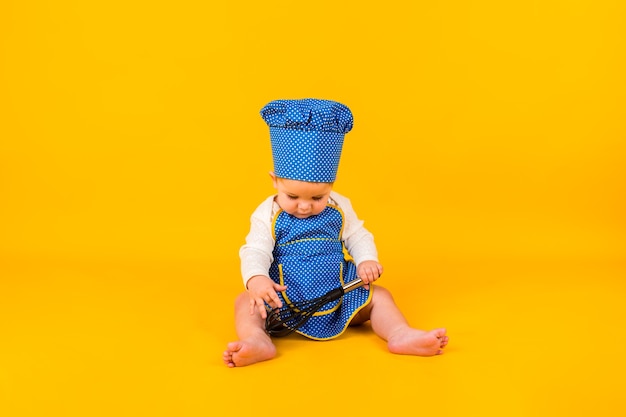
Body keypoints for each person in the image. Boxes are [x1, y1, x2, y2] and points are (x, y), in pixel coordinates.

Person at [223, 99, 448, 367]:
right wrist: (257, 279)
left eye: (318, 197)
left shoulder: (340, 205)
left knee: (380, 297)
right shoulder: (267, 212)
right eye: (292, 196)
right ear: (275, 181)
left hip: (339, 291)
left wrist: (366, 260)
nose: (305, 206)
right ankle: (257, 340)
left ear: (331, 185)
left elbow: (357, 235)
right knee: (245, 302)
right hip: (283, 297)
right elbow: (255, 250)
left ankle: (400, 334)